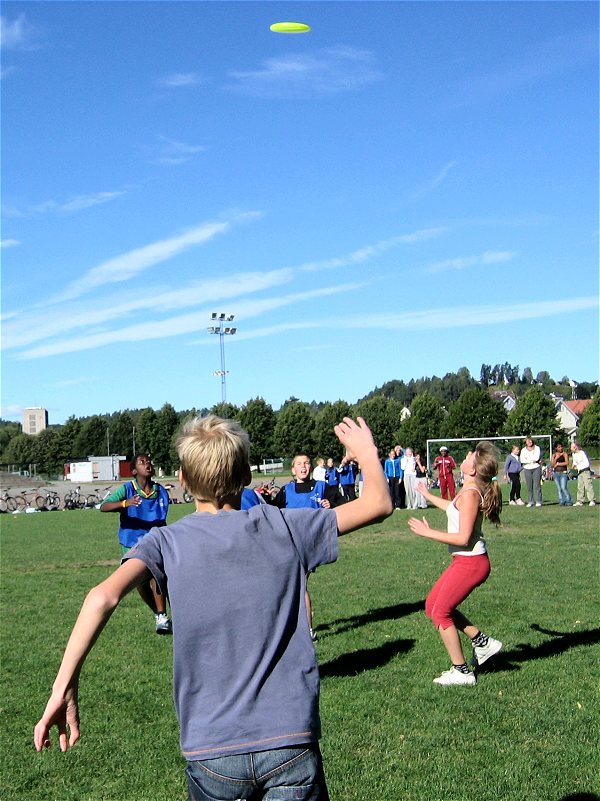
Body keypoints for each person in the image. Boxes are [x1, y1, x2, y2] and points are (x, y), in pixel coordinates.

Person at [33, 416, 392, 801]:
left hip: (213, 750)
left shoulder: (166, 542)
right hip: (290, 739)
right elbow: (379, 503)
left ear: (184, 480)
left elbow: (101, 597)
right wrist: (367, 454)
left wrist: (63, 685)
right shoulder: (289, 526)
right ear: (244, 476)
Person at [408, 442, 503, 686]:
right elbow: (453, 509)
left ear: (473, 469)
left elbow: (462, 537)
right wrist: (428, 495)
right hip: (464, 561)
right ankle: (482, 642)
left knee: (441, 612)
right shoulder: (468, 490)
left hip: (471, 564)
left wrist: (428, 533)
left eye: (470, 456)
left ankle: (461, 671)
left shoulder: (471, 494)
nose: (467, 456)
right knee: (432, 606)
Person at [266, 453, 339, 641]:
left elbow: (345, 502)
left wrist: (331, 504)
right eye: (299, 464)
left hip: (308, 544)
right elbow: (272, 511)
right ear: (293, 469)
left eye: (306, 463)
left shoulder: (321, 487)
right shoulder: (286, 490)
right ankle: (298, 629)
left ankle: (305, 630)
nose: (303, 466)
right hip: (288, 542)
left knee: (299, 584)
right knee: (296, 586)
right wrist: (266, 498)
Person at [100, 454, 172, 634]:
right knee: (141, 582)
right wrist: (125, 503)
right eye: (142, 462)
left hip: (154, 540)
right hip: (131, 542)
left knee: (157, 576)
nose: (147, 464)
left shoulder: (160, 491)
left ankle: (162, 615)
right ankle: (158, 613)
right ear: (133, 471)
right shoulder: (127, 489)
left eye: (149, 461)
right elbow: (104, 506)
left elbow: (162, 518)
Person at [570, 442, 596, 507]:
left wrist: (578, 467)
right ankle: (580, 501)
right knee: (580, 486)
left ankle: (592, 500)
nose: (570, 448)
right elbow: (574, 463)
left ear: (575, 447)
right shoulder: (574, 454)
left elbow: (586, 464)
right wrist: (573, 467)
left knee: (588, 486)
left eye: (572, 447)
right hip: (579, 472)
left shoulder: (582, 453)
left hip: (585, 471)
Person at [520, 437, 543, 507]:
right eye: (527, 441)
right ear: (525, 442)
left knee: (537, 485)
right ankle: (531, 501)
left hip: (536, 467)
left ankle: (539, 501)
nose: (529, 442)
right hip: (527, 468)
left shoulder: (537, 448)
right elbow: (522, 460)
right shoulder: (523, 450)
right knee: (529, 486)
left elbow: (536, 458)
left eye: (530, 441)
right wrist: (530, 460)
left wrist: (529, 459)